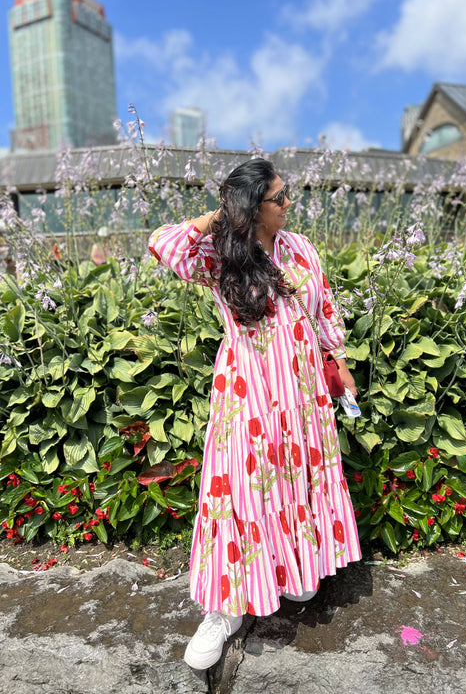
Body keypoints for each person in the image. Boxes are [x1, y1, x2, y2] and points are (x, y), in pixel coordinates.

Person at [148, 158, 361, 670]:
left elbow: (324, 309)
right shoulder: (221, 256)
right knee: (240, 490)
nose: (290, 204)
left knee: (294, 481)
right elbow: (164, 243)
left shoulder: (301, 248)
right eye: (280, 198)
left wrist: (341, 364)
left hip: (304, 394)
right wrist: (220, 216)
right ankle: (221, 611)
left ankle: (288, 572)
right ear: (253, 207)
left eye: (288, 195)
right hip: (249, 391)